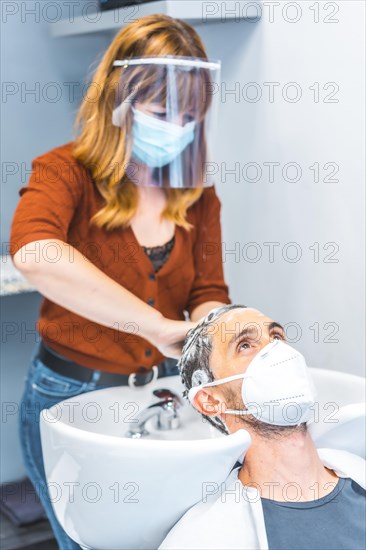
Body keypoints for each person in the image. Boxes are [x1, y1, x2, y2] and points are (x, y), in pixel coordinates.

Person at [9, 15, 231, 549]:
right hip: (72, 394)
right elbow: (35, 253)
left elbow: (208, 292)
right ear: (118, 99)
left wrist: (210, 331)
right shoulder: (64, 173)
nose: (175, 129)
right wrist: (155, 325)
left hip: (166, 395)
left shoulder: (195, 195)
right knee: (87, 541)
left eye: (189, 117)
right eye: (160, 113)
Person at [159, 305, 366, 550]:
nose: (277, 352)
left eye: (276, 337)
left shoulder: (356, 473)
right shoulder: (203, 539)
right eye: (245, 345)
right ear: (210, 400)